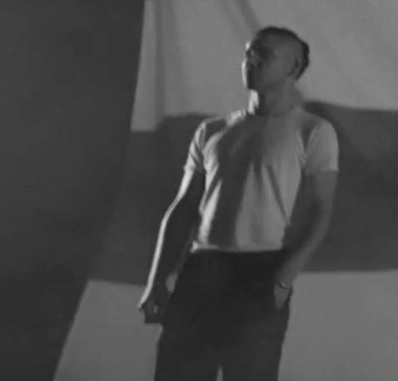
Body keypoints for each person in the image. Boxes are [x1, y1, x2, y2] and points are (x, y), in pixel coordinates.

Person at [138, 25, 340, 381]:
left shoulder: (312, 131)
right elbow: (184, 207)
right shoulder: (212, 131)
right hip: (202, 268)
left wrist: (283, 279)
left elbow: (322, 211)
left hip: (262, 270)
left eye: (262, 55)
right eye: (248, 53)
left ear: (292, 68)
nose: (250, 62)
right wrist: (157, 279)